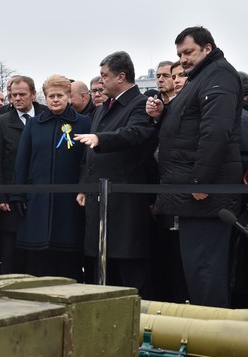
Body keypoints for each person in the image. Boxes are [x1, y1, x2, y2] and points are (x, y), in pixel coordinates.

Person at [147, 26, 242, 308]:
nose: (183, 59)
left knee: (206, 275)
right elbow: (189, 125)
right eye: (179, 54)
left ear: (207, 49)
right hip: (192, 197)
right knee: (197, 274)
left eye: (188, 52)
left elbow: (216, 132)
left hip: (205, 196)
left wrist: (200, 182)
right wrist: (163, 114)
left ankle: (215, 344)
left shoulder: (219, 76)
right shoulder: (200, 79)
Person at [74, 51, 157, 298]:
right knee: (102, 266)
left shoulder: (140, 104)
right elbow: (87, 155)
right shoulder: (102, 109)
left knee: (129, 267)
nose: (100, 82)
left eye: (104, 76)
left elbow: (135, 134)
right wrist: (83, 185)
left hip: (125, 200)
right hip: (98, 196)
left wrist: (101, 138)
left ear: (121, 77)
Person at [9, 75, 90, 279]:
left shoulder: (83, 123)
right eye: (51, 96)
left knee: (67, 255)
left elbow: (87, 161)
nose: (55, 99)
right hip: (37, 201)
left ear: (69, 97)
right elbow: (22, 161)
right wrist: (18, 195)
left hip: (70, 202)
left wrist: (84, 187)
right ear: (45, 97)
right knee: (39, 259)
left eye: (60, 95)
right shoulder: (34, 124)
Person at [0, 75, 49, 274]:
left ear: (33, 94)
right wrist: (0, 195)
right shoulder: (1, 122)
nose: (17, 99)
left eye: (22, 94)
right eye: (13, 95)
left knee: (39, 248)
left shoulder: (46, 117)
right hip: (11, 196)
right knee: (11, 248)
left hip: (41, 194)